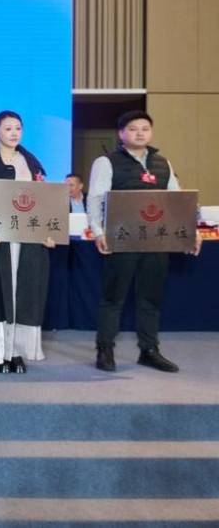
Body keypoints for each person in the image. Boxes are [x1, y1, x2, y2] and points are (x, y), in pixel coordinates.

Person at [89, 111, 201, 373]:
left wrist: (191, 230)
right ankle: (105, 349)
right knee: (113, 298)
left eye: (145, 128)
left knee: (150, 298)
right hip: (121, 240)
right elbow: (95, 198)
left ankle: (149, 350)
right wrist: (98, 231)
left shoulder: (162, 162)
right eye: (133, 128)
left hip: (156, 241)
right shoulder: (106, 162)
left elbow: (177, 200)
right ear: (121, 133)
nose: (140, 133)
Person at [0, 111, 55, 374]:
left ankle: (16, 352)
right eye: (8, 128)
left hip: (27, 241)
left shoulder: (32, 163)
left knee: (23, 293)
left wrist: (48, 231)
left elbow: (43, 201)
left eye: (18, 128)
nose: (14, 133)